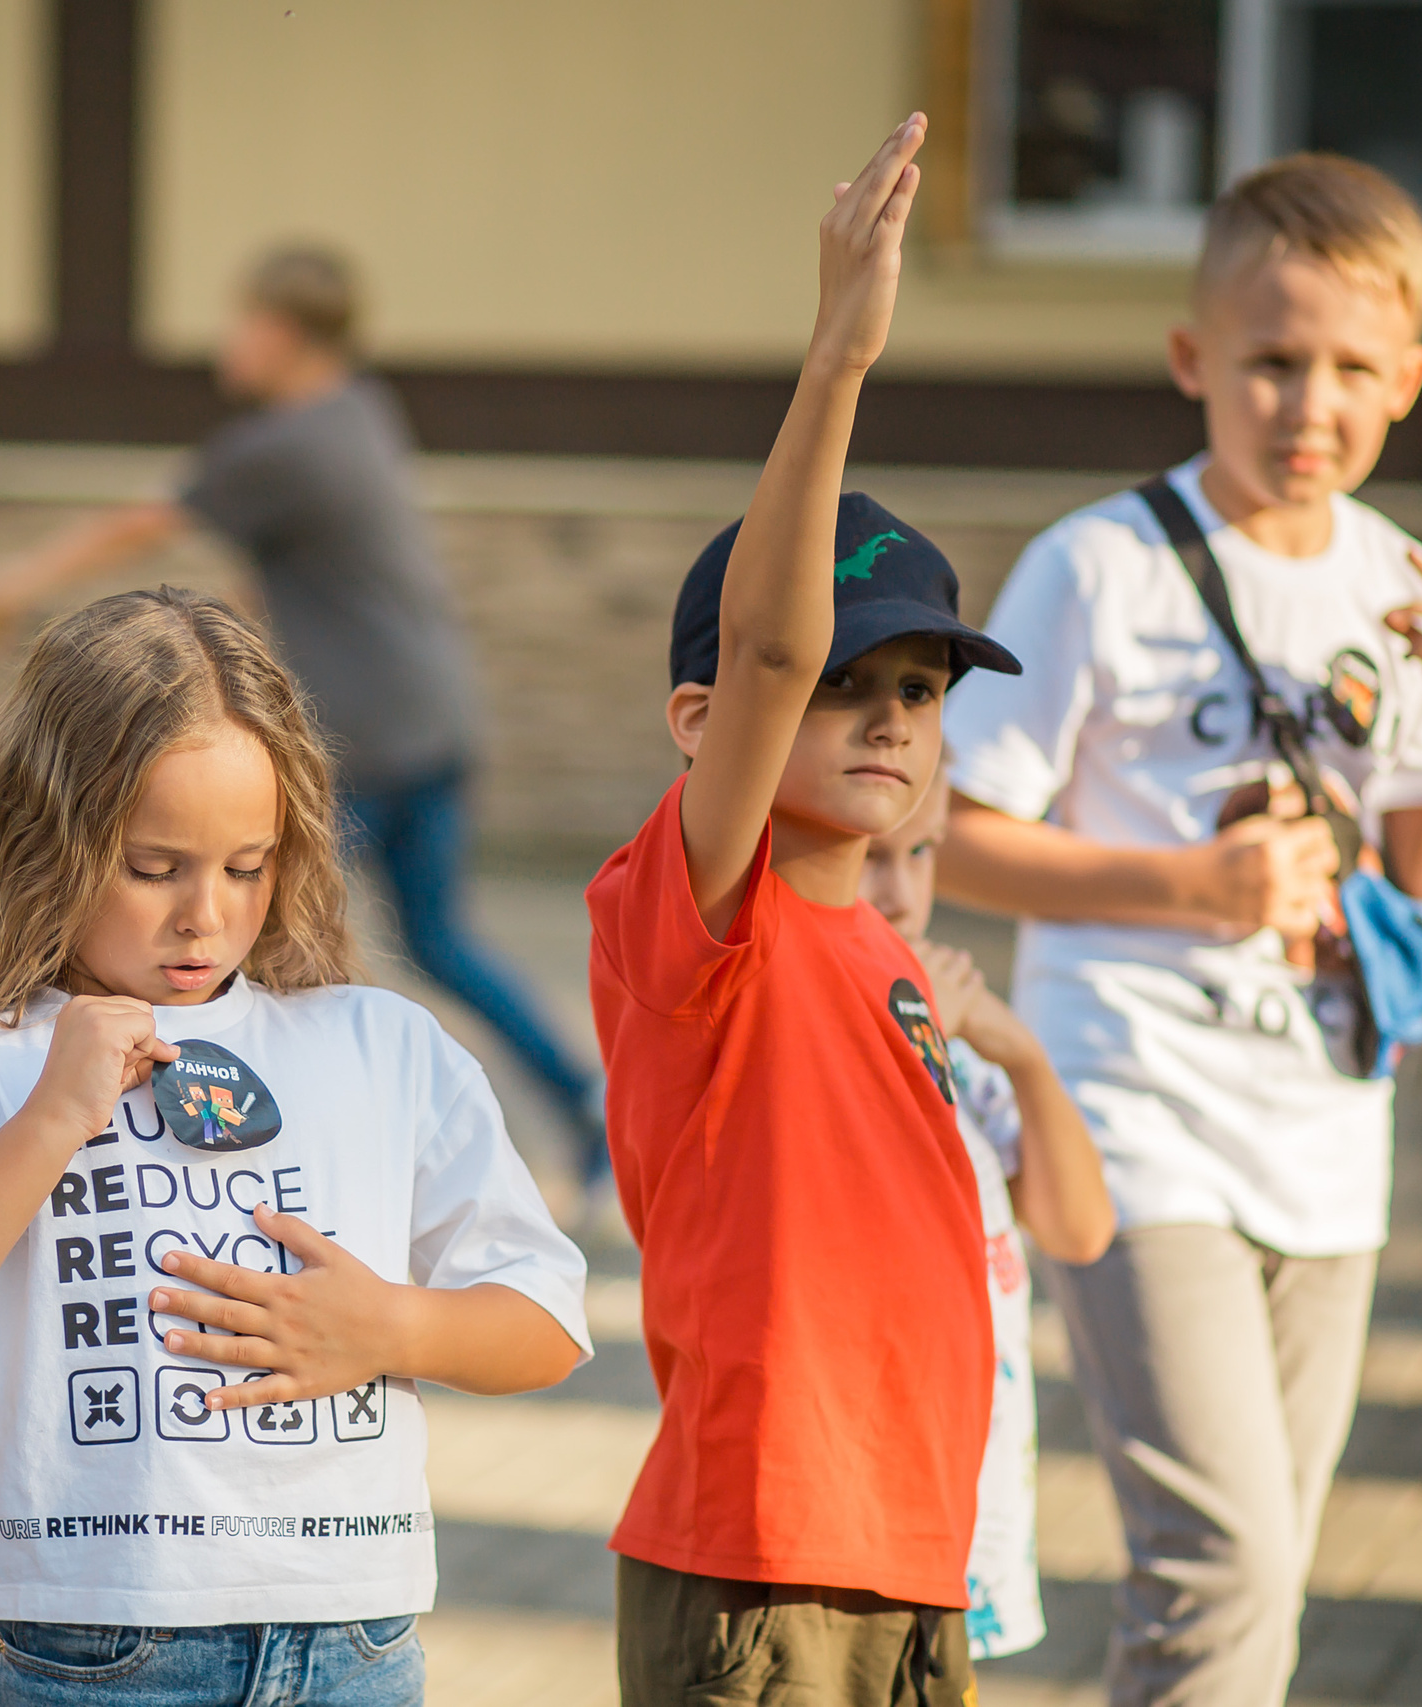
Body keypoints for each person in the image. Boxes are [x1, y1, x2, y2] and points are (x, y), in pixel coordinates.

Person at [939, 155, 1422, 1706]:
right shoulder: (1100, 564)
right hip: (1132, 1115)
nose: (1306, 402)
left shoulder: (1398, 581)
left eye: (1348, 367)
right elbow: (954, 834)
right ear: (1194, 358)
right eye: (1270, 360)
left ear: (1405, 378)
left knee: (1241, 1584)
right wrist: (1187, 890)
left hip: (1329, 1138)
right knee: (1228, 1564)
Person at [0, 586, 591, 1706]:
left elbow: (549, 1322)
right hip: (92, 1654)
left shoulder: (382, 1044)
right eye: (153, 865)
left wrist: (394, 1326)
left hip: (353, 1647)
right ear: (44, 839)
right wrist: (45, 1125)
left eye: (245, 866)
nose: (204, 916)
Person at [587, 115, 1025, 1705]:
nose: (890, 715)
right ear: (704, 719)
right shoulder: (701, 922)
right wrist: (837, 360)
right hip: (761, 1560)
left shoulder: (890, 951)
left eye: (917, 686)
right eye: (849, 683)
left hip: (915, 1552)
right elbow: (770, 651)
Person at [0, 245, 609, 1200]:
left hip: (366, 733)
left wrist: (13, 586)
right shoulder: (359, 414)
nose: (229, 340)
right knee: (435, 939)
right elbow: (288, 572)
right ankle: (585, 1101)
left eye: (240, 320)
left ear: (280, 332)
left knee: (265, 940)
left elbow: (145, 520)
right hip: (433, 713)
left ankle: (273, 1153)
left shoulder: (282, 446)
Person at [859, 774, 1117, 1663]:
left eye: (919, 852)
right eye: (869, 858)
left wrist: (1019, 1049)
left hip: (975, 1492)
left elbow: (1080, 1227)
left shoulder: (961, 1036)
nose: (899, 890)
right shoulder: (830, 1029)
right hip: (871, 1513)